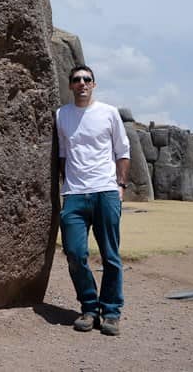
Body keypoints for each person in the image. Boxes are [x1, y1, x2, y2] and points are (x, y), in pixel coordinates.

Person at [55, 64, 130, 336]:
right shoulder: (61, 115)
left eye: (87, 79)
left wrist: (120, 185)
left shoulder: (109, 113)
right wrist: (66, 183)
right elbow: (63, 154)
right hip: (74, 194)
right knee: (75, 253)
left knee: (110, 256)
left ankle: (110, 312)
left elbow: (122, 151)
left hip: (105, 191)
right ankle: (89, 306)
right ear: (70, 85)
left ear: (94, 84)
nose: (82, 83)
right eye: (76, 80)